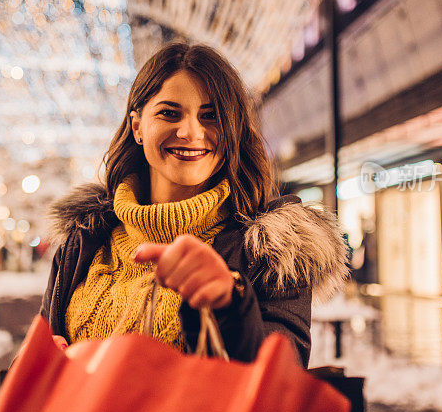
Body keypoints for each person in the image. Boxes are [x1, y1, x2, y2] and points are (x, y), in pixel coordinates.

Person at [40, 43, 349, 365]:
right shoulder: (85, 237)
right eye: (169, 113)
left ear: (233, 130)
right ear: (137, 127)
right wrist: (35, 367)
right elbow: (44, 351)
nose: (191, 132)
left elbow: (283, 375)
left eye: (211, 116)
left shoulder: (275, 248)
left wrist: (230, 304)